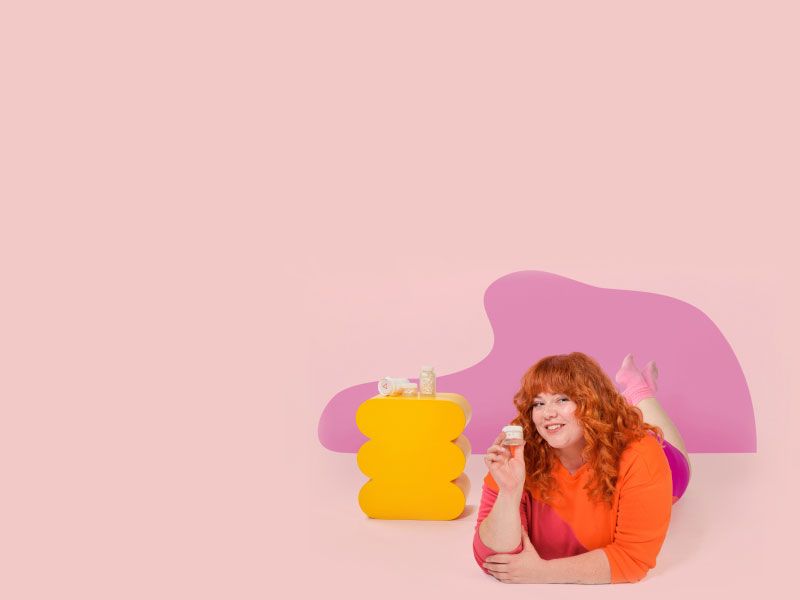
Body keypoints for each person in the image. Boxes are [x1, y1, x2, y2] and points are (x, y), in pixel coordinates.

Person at [473, 352, 691, 584]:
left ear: (592, 402)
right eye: (539, 403)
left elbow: (632, 560)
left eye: (562, 399)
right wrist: (509, 492)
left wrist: (542, 572)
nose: (548, 413)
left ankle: (639, 390)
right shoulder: (515, 456)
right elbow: (494, 559)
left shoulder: (642, 455)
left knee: (654, 430)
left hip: (667, 465)